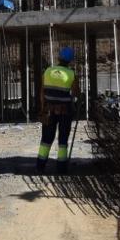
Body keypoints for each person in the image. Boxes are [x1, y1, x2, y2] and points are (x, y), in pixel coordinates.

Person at [35, 45, 79, 175]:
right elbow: (76, 93)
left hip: (49, 110)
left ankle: (40, 166)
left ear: (59, 57)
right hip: (65, 111)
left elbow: (42, 92)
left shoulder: (48, 71)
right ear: (70, 60)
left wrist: (43, 107)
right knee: (63, 139)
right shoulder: (71, 74)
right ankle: (61, 168)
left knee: (46, 138)